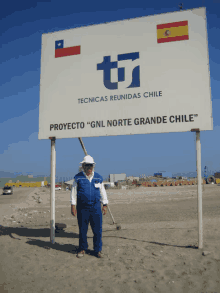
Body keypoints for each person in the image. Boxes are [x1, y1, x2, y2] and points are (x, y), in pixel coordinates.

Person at [70, 155, 108, 258]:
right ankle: (82, 249)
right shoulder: (78, 178)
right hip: (82, 208)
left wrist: (105, 204)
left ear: (93, 166)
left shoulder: (98, 177)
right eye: (87, 165)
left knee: (97, 230)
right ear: (83, 166)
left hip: (96, 207)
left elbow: (102, 191)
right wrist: (73, 205)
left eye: (91, 166)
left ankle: (97, 250)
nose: (89, 168)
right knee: (83, 229)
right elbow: (73, 192)